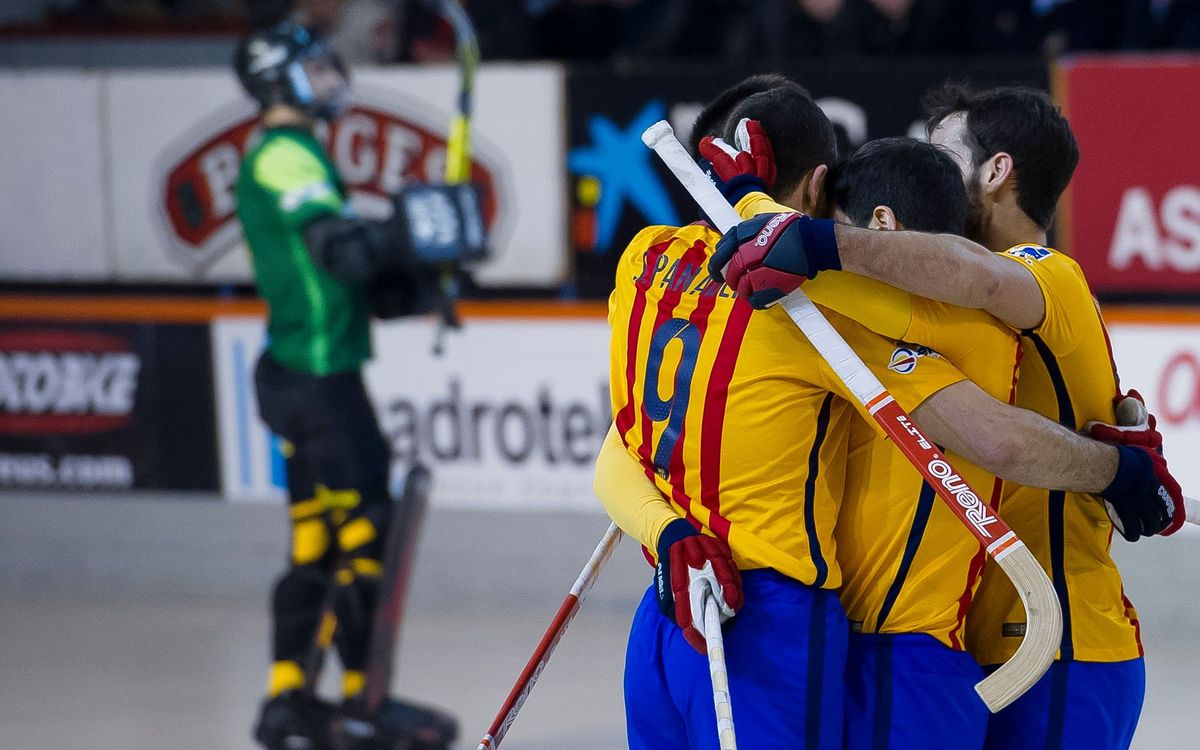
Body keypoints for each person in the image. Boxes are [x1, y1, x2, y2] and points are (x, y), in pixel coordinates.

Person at [596, 78, 1144, 750]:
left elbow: (981, 319)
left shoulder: (1007, 289)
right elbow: (624, 443)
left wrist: (1121, 468)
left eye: (948, 156)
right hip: (874, 639)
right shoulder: (836, 314)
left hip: (1016, 647)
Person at [232, 20, 457, 750]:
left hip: (310, 378)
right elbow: (339, 248)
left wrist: (424, 277)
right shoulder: (282, 155)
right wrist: (410, 231)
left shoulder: (299, 152)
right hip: (315, 384)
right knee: (363, 542)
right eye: (316, 72)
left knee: (321, 548)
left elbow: (348, 276)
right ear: (279, 81)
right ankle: (358, 703)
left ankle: (293, 703)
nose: (332, 82)